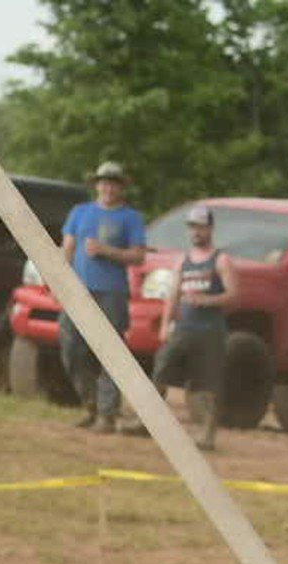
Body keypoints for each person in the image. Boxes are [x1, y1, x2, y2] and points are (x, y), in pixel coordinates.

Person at [57, 159, 147, 433]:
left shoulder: (131, 218)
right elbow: (67, 249)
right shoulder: (80, 212)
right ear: (97, 185)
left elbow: (138, 255)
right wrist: (62, 282)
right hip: (79, 291)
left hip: (112, 292)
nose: (108, 188)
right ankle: (90, 405)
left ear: (121, 188)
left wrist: (107, 251)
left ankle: (107, 415)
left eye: (114, 184)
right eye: (104, 182)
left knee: (110, 351)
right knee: (71, 347)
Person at [142, 203, 237, 451]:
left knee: (206, 384)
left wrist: (208, 300)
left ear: (210, 229)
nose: (196, 232)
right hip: (184, 327)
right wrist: (165, 325)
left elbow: (234, 295)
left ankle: (207, 434)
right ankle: (146, 423)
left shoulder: (221, 260)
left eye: (201, 227)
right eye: (193, 227)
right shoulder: (183, 260)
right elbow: (172, 296)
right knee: (161, 369)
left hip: (210, 331)